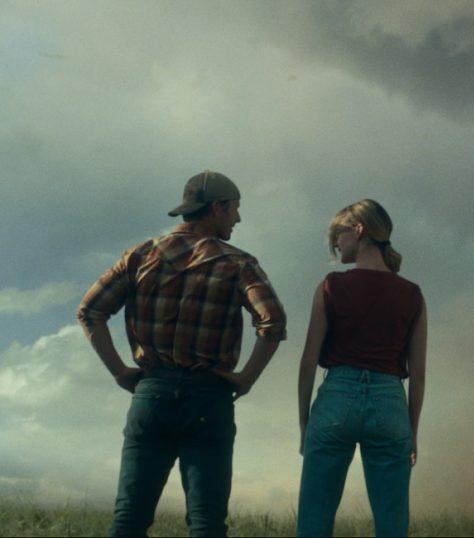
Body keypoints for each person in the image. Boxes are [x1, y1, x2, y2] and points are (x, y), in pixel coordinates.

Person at [76, 170, 287, 537]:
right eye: (235, 209)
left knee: (129, 518)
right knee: (206, 523)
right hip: (209, 398)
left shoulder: (139, 256)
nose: (237, 218)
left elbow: (90, 311)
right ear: (217, 208)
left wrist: (119, 371)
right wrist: (246, 378)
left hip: (151, 394)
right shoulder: (239, 263)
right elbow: (273, 321)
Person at [296, 199, 427, 537]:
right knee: (392, 525)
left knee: (314, 521)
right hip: (389, 404)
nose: (335, 243)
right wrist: (412, 430)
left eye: (338, 234)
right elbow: (419, 373)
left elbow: (309, 361)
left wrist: (304, 423)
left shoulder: (330, 286)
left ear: (359, 230)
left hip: (336, 400)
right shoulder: (413, 295)